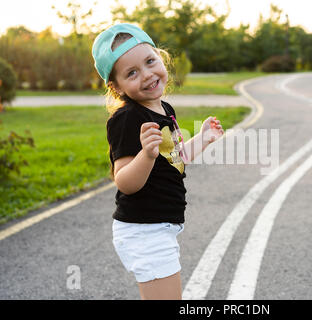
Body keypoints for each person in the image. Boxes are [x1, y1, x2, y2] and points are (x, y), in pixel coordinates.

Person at [91, 23, 224, 300]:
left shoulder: (165, 109)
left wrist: (203, 139)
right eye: (132, 73)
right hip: (143, 229)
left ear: (160, 57)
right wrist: (145, 155)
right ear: (116, 87)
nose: (147, 75)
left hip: (159, 226)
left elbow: (175, 158)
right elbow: (125, 181)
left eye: (150, 61)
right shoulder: (127, 118)